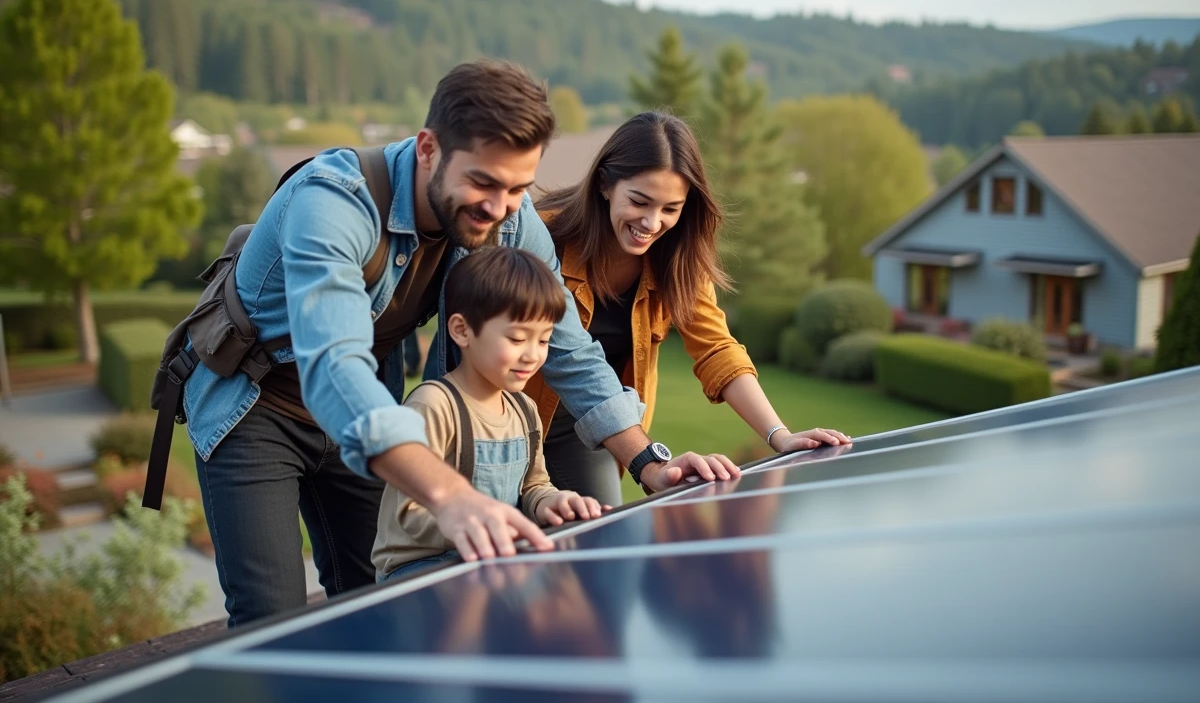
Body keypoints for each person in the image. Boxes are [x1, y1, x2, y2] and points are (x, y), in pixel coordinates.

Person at [183, 61, 738, 627]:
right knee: (271, 624)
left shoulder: (511, 217)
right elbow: (334, 366)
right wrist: (450, 495)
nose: (500, 207)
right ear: (429, 148)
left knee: (377, 610)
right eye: (484, 183)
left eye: (518, 188)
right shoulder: (332, 202)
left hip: (370, 416)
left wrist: (647, 463)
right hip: (258, 409)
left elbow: (569, 345)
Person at [526, 111, 851, 506]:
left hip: (596, 426)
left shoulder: (679, 262)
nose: (651, 222)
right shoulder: (542, 237)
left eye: (670, 208)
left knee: (599, 526)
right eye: (640, 201)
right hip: (510, 415)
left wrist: (779, 436)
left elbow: (717, 349)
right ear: (605, 185)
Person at [374, 247, 609, 582]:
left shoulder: (525, 409)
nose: (532, 355)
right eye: (517, 338)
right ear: (462, 330)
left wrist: (552, 502)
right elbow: (409, 513)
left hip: (490, 560)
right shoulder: (433, 405)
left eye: (543, 341)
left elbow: (533, 485)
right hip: (420, 571)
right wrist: (476, 525)